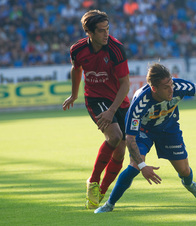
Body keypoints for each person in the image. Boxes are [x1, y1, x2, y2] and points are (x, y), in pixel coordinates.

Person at [94, 63, 196, 213]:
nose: (171, 90)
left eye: (171, 84)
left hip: (168, 128)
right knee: (134, 167)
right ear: (154, 89)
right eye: (166, 87)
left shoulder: (180, 87)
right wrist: (142, 166)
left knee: (185, 170)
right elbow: (130, 138)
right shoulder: (140, 103)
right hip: (143, 131)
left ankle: (189, 184)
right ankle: (109, 204)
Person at [62, 10, 130, 209]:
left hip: (119, 100)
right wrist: (75, 95)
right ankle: (93, 181)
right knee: (115, 136)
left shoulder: (116, 49)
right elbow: (76, 69)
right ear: (89, 32)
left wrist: (112, 110)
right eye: (101, 31)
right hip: (95, 98)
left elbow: (125, 84)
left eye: (107, 29)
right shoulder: (77, 49)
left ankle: (100, 193)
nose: (106, 34)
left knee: (120, 152)